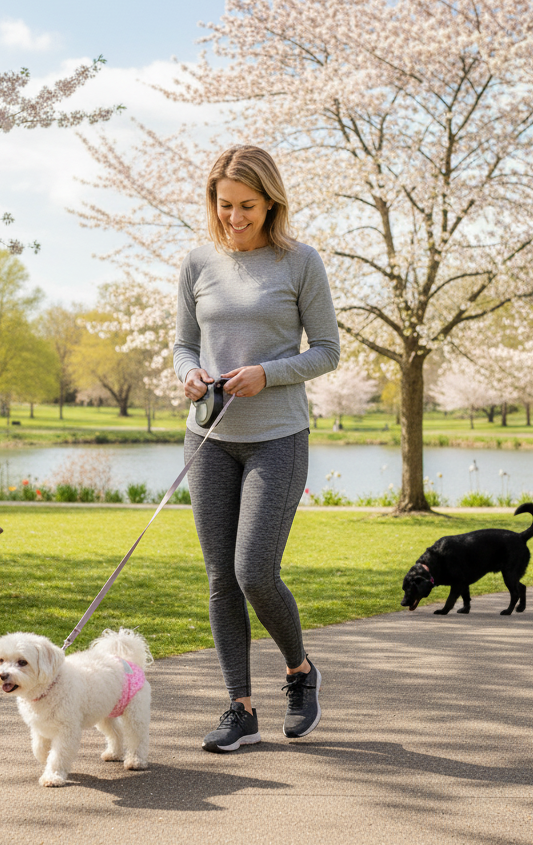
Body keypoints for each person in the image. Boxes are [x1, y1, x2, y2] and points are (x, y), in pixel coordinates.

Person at [173, 145, 340, 753]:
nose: (235, 217)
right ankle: (239, 708)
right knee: (220, 577)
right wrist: (190, 374)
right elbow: (183, 346)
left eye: (247, 205)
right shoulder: (197, 262)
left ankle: (299, 671)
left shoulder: (300, 263)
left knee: (253, 571)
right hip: (210, 435)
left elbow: (326, 349)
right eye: (225, 205)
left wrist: (268, 374)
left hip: (277, 438)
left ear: (271, 201)